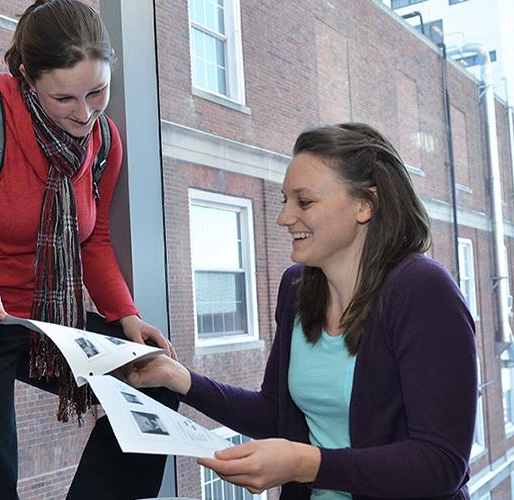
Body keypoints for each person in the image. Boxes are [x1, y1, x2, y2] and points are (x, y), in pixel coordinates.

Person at [0, 1, 176, 498]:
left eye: (98, 91)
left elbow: (91, 239)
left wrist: (126, 314)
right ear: (27, 77)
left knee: (156, 380)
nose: (86, 113)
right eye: (65, 98)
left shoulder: (104, 141)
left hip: (44, 319)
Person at [125, 123, 477, 499]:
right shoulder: (297, 287)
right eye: (285, 201)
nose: (284, 217)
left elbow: (441, 464)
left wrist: (306, 464)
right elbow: (277, 413)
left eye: (304, 201)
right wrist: (183, 380)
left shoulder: (424, 291)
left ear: (365, 205)